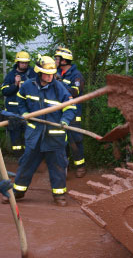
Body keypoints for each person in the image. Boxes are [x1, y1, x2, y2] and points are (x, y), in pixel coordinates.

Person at [11, 55, 76, 206]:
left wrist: (65, 120)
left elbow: (71, 107)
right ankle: (17, 192)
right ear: (39, 72)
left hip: (55, 137)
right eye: (47, 73)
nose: (50, 76)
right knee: (26, 164)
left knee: (58, 166)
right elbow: (20, 99)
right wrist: (25, 113)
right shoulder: (28, 85)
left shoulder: (59, 88)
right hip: (35, 136)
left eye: (52, 73)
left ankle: (59, 195)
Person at [54, 46, 86, 177]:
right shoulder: (55, 73)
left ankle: (80, 166)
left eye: (57, 58)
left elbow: (75, 92)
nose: (55, 60)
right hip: (59, 112)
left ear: (64, 60)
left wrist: (60, 82)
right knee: (61, 141)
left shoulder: (76, 75)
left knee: (75, 141)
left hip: (73, 113)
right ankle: (63, 168)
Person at [0, 51, 36, 152]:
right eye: (22, 62)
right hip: (13, 112)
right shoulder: (11, 75)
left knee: (29, 134)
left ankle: (28, 156)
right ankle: (17, 156)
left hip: (28, 111)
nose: (24, 64)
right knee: (15, 136)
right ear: (17, 62)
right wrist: (15, 84)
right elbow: (4, 91)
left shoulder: (32, 73)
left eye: (26, 62)